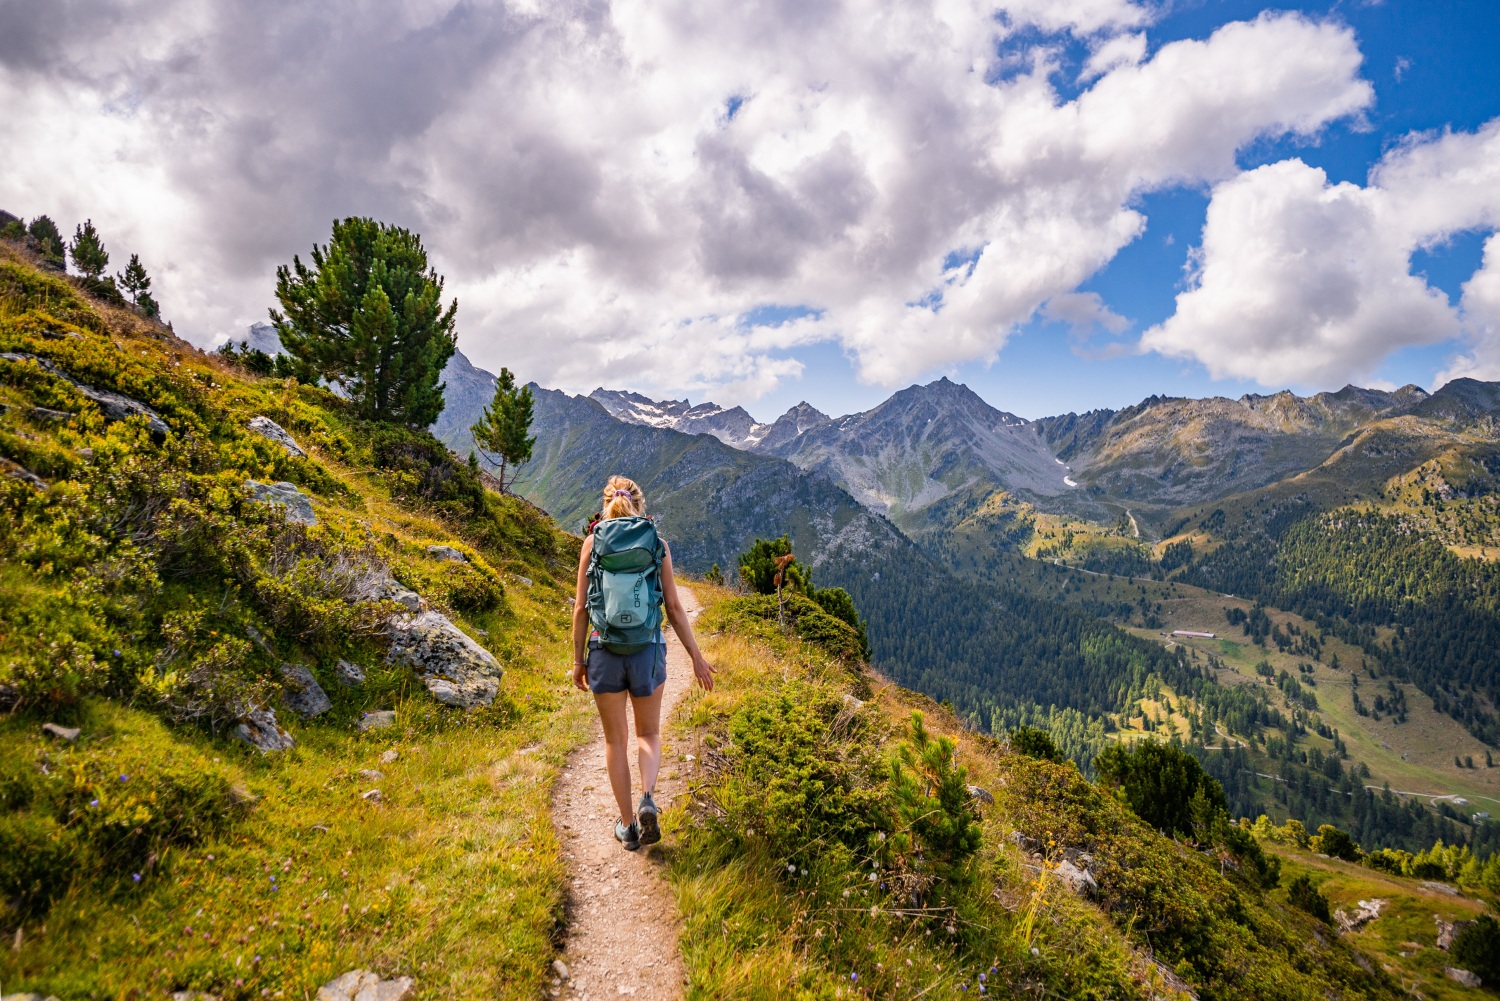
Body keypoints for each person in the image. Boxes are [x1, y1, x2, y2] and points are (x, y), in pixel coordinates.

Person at [572, 475, 716, 850]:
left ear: (607, 503)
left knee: (615, 741)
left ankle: (627, 825)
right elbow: (674, 607)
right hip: (648, 649)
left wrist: (578, 661)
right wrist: (697, 658)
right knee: (648, 733)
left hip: (604, 650)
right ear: (640, 503)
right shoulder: (658, 544)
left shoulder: (592, 542)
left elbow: (580, 610)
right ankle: (648, 796)